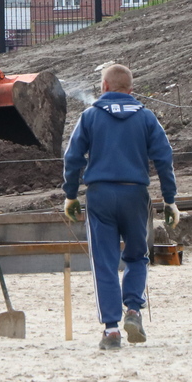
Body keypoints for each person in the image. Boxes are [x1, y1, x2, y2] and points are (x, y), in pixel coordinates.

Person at [62, 63, 178, 351]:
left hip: (100, 195)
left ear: (103, 87)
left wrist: (71, 194)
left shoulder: (89, 116)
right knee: (137, 256)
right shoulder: (147, 117)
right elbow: (164, 158)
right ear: (131, 90)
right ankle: (134, 311)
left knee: (104, 261)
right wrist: (170, 199)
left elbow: (72, 158)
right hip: (135, 194)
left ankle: (111, 330)